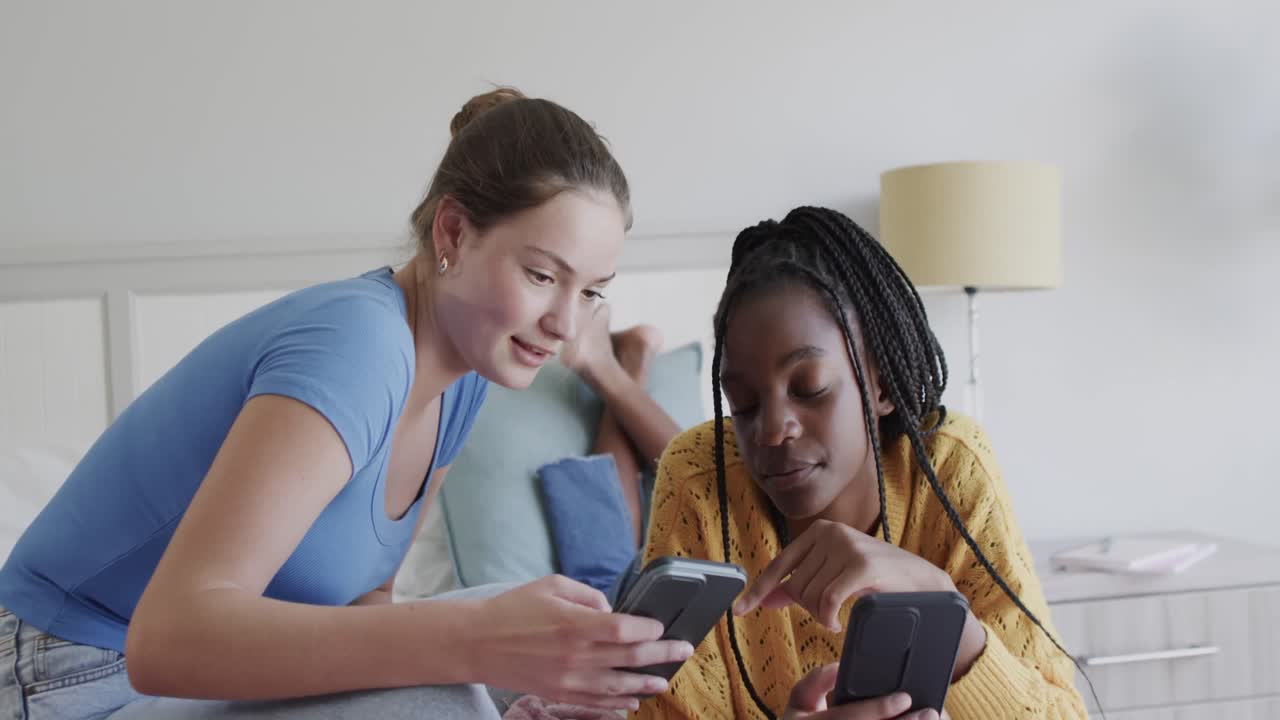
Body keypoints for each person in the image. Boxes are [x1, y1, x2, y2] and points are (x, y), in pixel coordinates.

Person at [0, 87, 695, 720]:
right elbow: (166, 639)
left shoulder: (466, 377)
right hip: (71, 678)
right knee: (452, 683)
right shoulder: (356, 343)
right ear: (452, 234)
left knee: (537, 618)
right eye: (543, 275)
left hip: (176, 684)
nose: (568, 326)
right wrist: (472, 654)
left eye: (593, 291)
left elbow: (365, 607)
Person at [634, 207, 1089, 719]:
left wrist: (946, 613)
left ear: (880, 384)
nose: (771, 428)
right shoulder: (699, 476)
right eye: (743, 404)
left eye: (809, 388)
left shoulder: (948, 466)